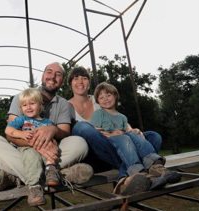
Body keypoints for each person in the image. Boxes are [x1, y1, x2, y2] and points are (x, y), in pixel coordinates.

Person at [0, 62, 93, 205]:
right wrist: (35, 143)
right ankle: (61, 176)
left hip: (50, 153)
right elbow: (10, 134)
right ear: (43, 76)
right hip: (23, 151)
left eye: (58, 74)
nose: (52, 77)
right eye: (49, 72)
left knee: (80, 143)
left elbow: (65, 134)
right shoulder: (23, 97)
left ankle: (16, 177)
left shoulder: (63, 103)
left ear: (62, 81)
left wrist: (53, 129)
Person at [67, 67, 181, 195]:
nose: (80, 81)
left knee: (153, 137)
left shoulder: (99, 98)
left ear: (89, 82)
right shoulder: (66, 106)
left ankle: (129, 178)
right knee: (81, 127)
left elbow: (116, 118)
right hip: (97, 152)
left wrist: (132, 130)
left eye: (84, 78)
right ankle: (140, 170)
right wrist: (104, 133)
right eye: (76, 78)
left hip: (120, 144)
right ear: (70, 83)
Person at [5, 88, 61, 206]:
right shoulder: (22, 120)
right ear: (21, 108)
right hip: (28, 148)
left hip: (43, 148)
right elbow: (8, 130)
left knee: (51, 149)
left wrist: (52, 142)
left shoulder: (47, 123)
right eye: (25, 105)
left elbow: (53, 136)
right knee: (31, 157)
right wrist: (21, 134)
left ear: (40, 105)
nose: (28, 107)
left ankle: (51, 171)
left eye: (32, 103)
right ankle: (34, 188)